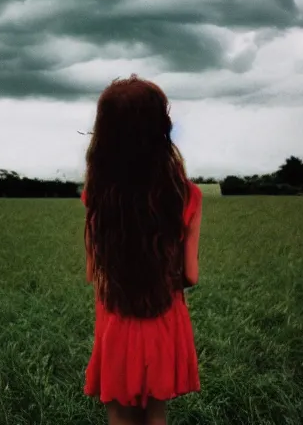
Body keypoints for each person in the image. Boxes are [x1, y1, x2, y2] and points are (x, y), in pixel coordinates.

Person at [81, 74, 203, 425]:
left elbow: (93, 272)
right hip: (165, 319)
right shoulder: (187, 195)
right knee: (156, 412)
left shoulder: (97, 198)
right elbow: (190, 275)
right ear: (160, 131)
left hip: (117, 321)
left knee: (120, 412)